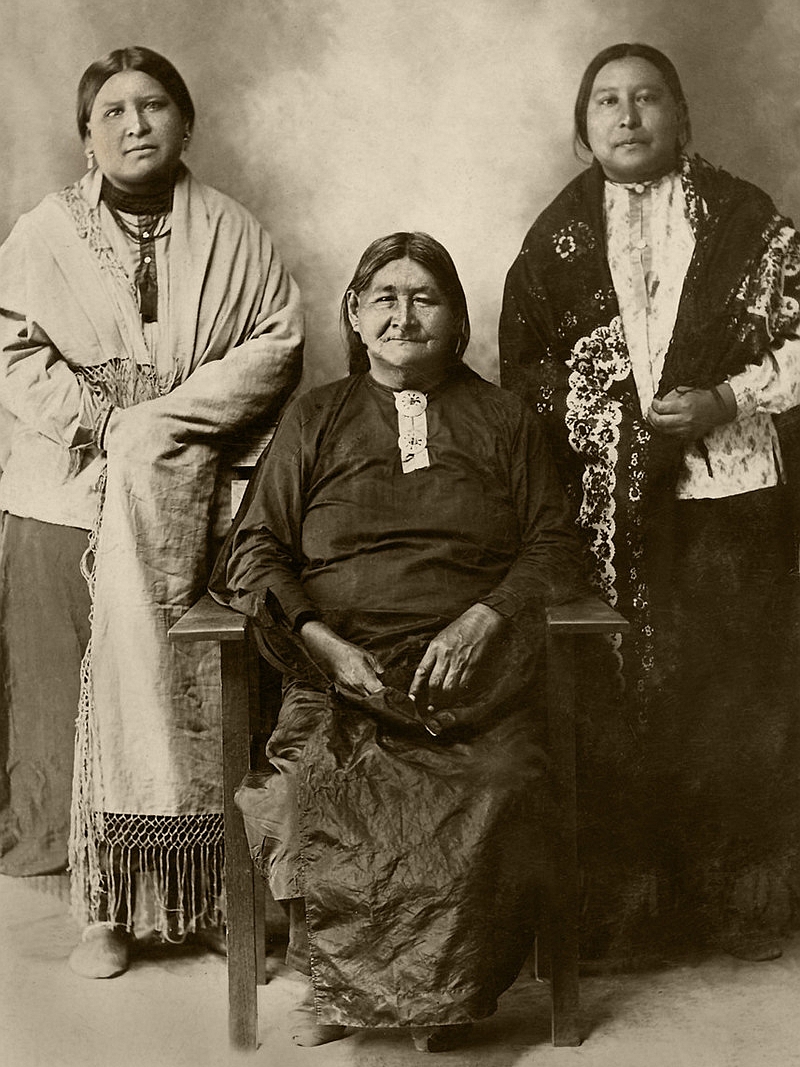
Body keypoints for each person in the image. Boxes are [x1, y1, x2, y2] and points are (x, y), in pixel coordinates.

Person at [211, 232, 586, 1052]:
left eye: (425, 298)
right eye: (385, 296)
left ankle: (439, 995)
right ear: (355, 314)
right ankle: (345, 989)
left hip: (475, 683)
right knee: (310, 786)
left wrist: (486, 616)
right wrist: (321, 640)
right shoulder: (316, 417)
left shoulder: (505, 419)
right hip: (341, 679)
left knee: (494, 783)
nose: (404, 315)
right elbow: (256, 549)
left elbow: (555, 546)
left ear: (457, 319)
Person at [0, 46, 303, 977]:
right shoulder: (45, 233)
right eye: (114, 111)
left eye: (155, 105)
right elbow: (11, 349)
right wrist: (107, 426)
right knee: (90, 699)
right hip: (72, 492)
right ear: (87, 137)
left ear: (186, 123)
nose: (136, 124)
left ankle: (202, 893)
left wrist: (162, 425)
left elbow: (276, 346)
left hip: (204, 495)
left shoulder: (235, 233)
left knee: (206, 692)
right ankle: (104, 905)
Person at [499, 42, 800, 965]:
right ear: (582, 127)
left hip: (726, 494)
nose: (627, 117)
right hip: (604, 511)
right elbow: (526, 373)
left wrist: (726, 399)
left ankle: (732, 901)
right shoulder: (555, 241)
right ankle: (628, 907)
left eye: (647, 98)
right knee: (612, 697)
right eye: (607, 102)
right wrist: (606, 425)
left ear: (681, 116)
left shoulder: (747, 220)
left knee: (729, 688)